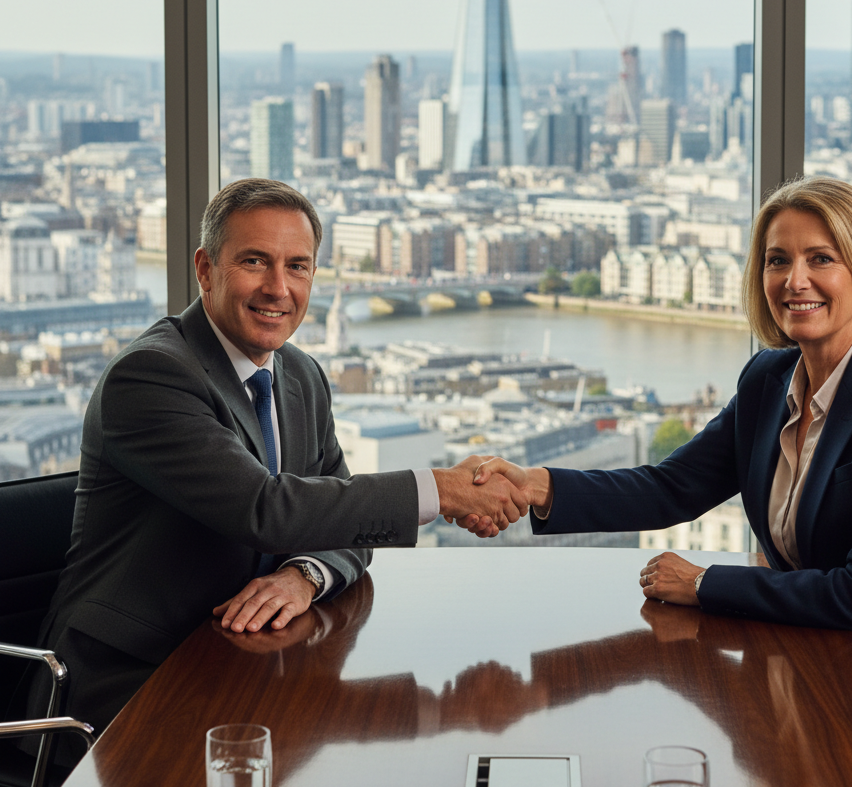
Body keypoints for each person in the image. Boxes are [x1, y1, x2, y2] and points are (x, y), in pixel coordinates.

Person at [472, 176, 852, 766]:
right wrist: (537, 486)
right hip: (817, 670)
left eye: (821, 259)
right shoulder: (767, 379)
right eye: (777, 260)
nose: (794, 280)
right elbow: (673, 487)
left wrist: (705, 584)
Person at [32, 178, 525, 742]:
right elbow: (267, 510)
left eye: (298, 266)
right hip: (130, 687)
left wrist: (305, 574)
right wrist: (444, 489)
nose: (278, 288)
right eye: (254, 261)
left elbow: (344, 521)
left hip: (246, 663)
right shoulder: (150, 377)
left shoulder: (300, 376)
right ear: (205, 268)